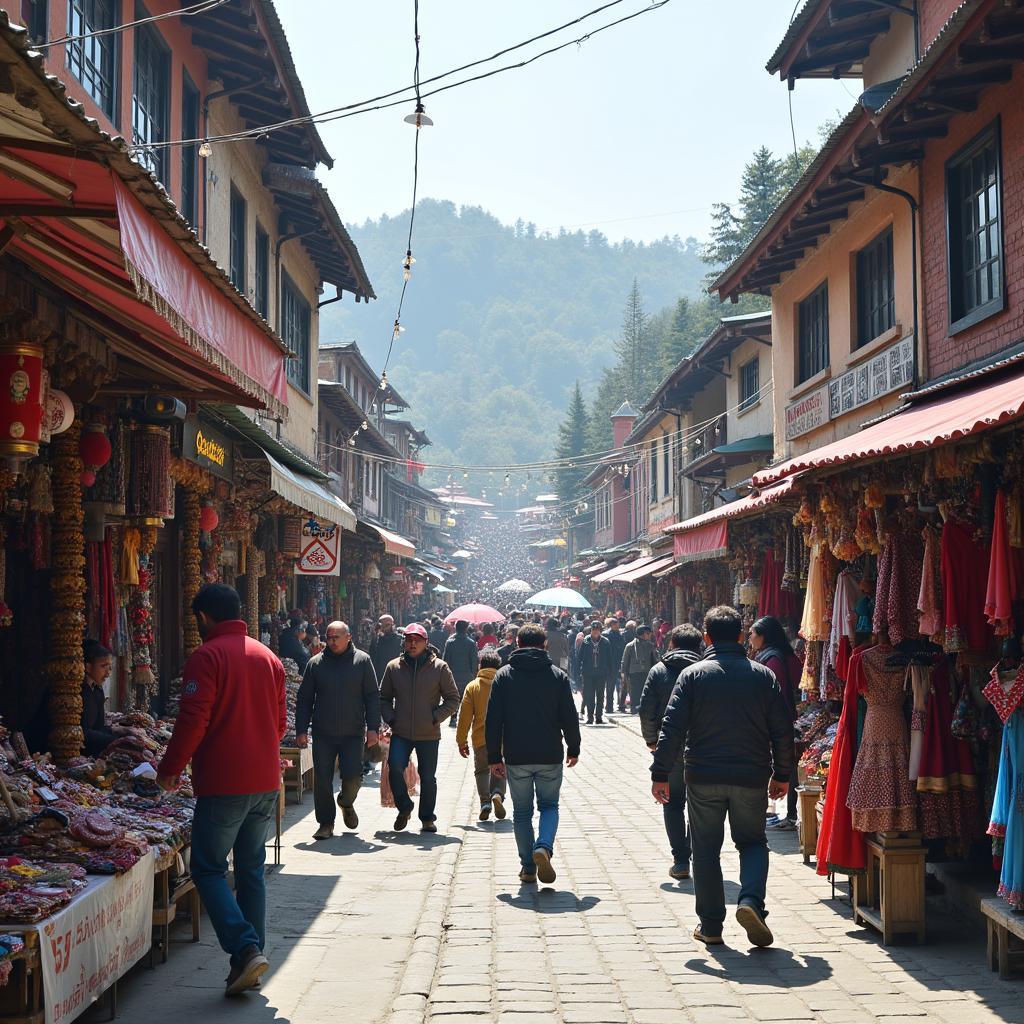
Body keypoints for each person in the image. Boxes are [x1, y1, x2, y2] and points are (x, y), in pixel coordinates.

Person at [157, 583, 285, 996]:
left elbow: (193, 720)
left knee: (208, 868)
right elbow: (280, 724)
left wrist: (170, 768)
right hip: (265, 780)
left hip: (224, 781)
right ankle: (249, 960)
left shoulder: (207, 656)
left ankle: (245, 948)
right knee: (250, 871)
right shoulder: (268, 657)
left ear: (204, 618)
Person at [651, 605, 794, 949]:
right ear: (742, 636)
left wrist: (661, 773)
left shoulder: (693, 675)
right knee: (753, 842)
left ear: (706, 637)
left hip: (703, 775)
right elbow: (782, 729)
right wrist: (783, 773)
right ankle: (750, 902)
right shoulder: (763, 676)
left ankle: (712, 925)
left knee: (705, 849)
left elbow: (671, 728)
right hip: (751, 774)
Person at [486, 623, 581, 884]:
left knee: (522, 812)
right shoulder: (557, 676)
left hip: (517, 756)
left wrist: (493, 756)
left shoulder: (503, 676)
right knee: (549, 806)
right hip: (550, 753)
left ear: (516, 643)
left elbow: (493, 719)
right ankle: (544, 847)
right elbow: (569, 718)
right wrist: (574, 748)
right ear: (545, 645)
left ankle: (528, 867)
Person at [295, 621, 380, 840]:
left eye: (336, 637)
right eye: (329, 637)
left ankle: (346, 801)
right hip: (323, 732)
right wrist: (301, 730)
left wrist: (373, 728)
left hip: (353, 732)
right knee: (322, 780)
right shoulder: (315, 664)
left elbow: (372, 696)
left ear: (348, 637)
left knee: (353, 775)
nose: (331, 641)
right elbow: (304, 699)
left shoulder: (362, 661)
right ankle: (326, 823)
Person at [380, 623, 460, 832]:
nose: (412, 644)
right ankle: (404, 807)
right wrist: (391, 718)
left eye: (417, 640)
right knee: (395, 768)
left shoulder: (440, 668)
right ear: (404, 642)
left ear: (426, 643)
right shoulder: (394, 667)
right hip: (401, 731)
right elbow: (384, 698)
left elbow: (453, 699)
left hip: (428, 733)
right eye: (409, 640)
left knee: (428, 777)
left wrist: (435, 717)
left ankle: (427, 818)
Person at [639, 624, 704, 879]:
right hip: (702, 750)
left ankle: (680, 860)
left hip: (669, 750)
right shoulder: (707, 672)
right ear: (700, 645)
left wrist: (652, 740)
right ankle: (701, 857)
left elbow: (646, 709)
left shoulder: (659, 671)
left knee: (673, 803)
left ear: (672, 644)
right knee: (701, 805)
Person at [748, 616, 803, 831]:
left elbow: (774, 697)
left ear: (763, 636)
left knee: (780, 766)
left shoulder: (772, 660)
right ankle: (788, 813)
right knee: (788, 766)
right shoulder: (784, 655)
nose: (750, 638)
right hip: (787, 718)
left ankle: (787, 814)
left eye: (753, 634)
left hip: (776, 722)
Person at [456, 650, 507, 821]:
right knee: (500, 767)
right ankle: (498, 794)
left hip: (480, 738)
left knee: (482, 771)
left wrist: (461, 740)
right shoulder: (505, 683)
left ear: (480, 666)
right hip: (502, 738)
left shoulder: (473, 686)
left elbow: (464, 717)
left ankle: (485, 801)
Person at [81, 640, 115, 756]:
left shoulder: (97, 689)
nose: (108, 673)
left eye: (110, 667)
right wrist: (115, 741)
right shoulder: (76, 690)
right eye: (104, 666)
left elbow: (98, 727)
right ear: (88, 667)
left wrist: (119, 731)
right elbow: (82, 733)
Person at [442, 619, 479, 727]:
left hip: (452, 675)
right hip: (467, 675)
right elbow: (474, 661)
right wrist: (474, 675)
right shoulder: (471, 643)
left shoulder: (450, 642)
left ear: (455, 628)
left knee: (453, 698)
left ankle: (453, 718)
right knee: (465, 699)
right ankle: (464, 719)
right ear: (466, 629)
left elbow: (446, 660)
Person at [578, 621, 613, 725]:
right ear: (591, 630)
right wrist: (579, 671)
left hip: (601, 673)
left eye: (597, 630)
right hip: (588, 673)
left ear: (600, 630)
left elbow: (609, 658)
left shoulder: (605, 642)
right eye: (594, 630)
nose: (595, 632)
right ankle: (590, 717)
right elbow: (580, 657)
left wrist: (610, 672)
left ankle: (598, 717)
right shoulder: (586, 641)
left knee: (600, 696)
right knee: (589, 696)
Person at [620, 623, 658, 714]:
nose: (649, 635)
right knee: (634, 692)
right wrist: (623, 674)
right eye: (647, 633)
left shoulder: (650, 646)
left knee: (645, 692)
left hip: (647, 672)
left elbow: (654, 660)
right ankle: (634, 709)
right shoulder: (630, 646)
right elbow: (624, 661)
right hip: (634, 673)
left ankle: (644, 709)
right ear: (642, 634)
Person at [603, 617, 627, 714]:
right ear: (611, 625)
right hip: (610, 664)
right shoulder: (606, 635)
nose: (618, 626)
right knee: (610, 686)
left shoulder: (620, 635)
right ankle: (609, 707)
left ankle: (621, 705)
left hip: (619, 663)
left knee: (623, 686)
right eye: (615, 624)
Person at [370, 615, 403, 684]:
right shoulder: (376, 640)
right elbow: (372, 658)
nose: (385, 628)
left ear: (392, 625)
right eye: (382, 625)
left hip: (397, 676)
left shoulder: (400, 639)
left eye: (387, 625)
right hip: (380, 677)